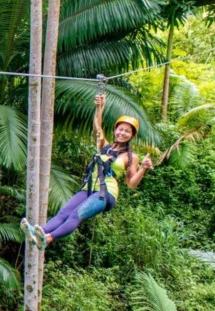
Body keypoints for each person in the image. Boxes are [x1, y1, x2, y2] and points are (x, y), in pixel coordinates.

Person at [22, 93, 155, 248]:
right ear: (115, 130)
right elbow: (97, 128)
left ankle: (47, 238)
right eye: (120, 129)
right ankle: (36, 233)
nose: (122, 133)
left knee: (75, 215)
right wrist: (99, 107)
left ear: (132, 135)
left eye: (127, 131)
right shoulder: (104, 146)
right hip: (89, 188)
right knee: (63, 214)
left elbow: (131, 184)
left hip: (106, 193)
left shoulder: (131, 156)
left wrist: (143, 168)